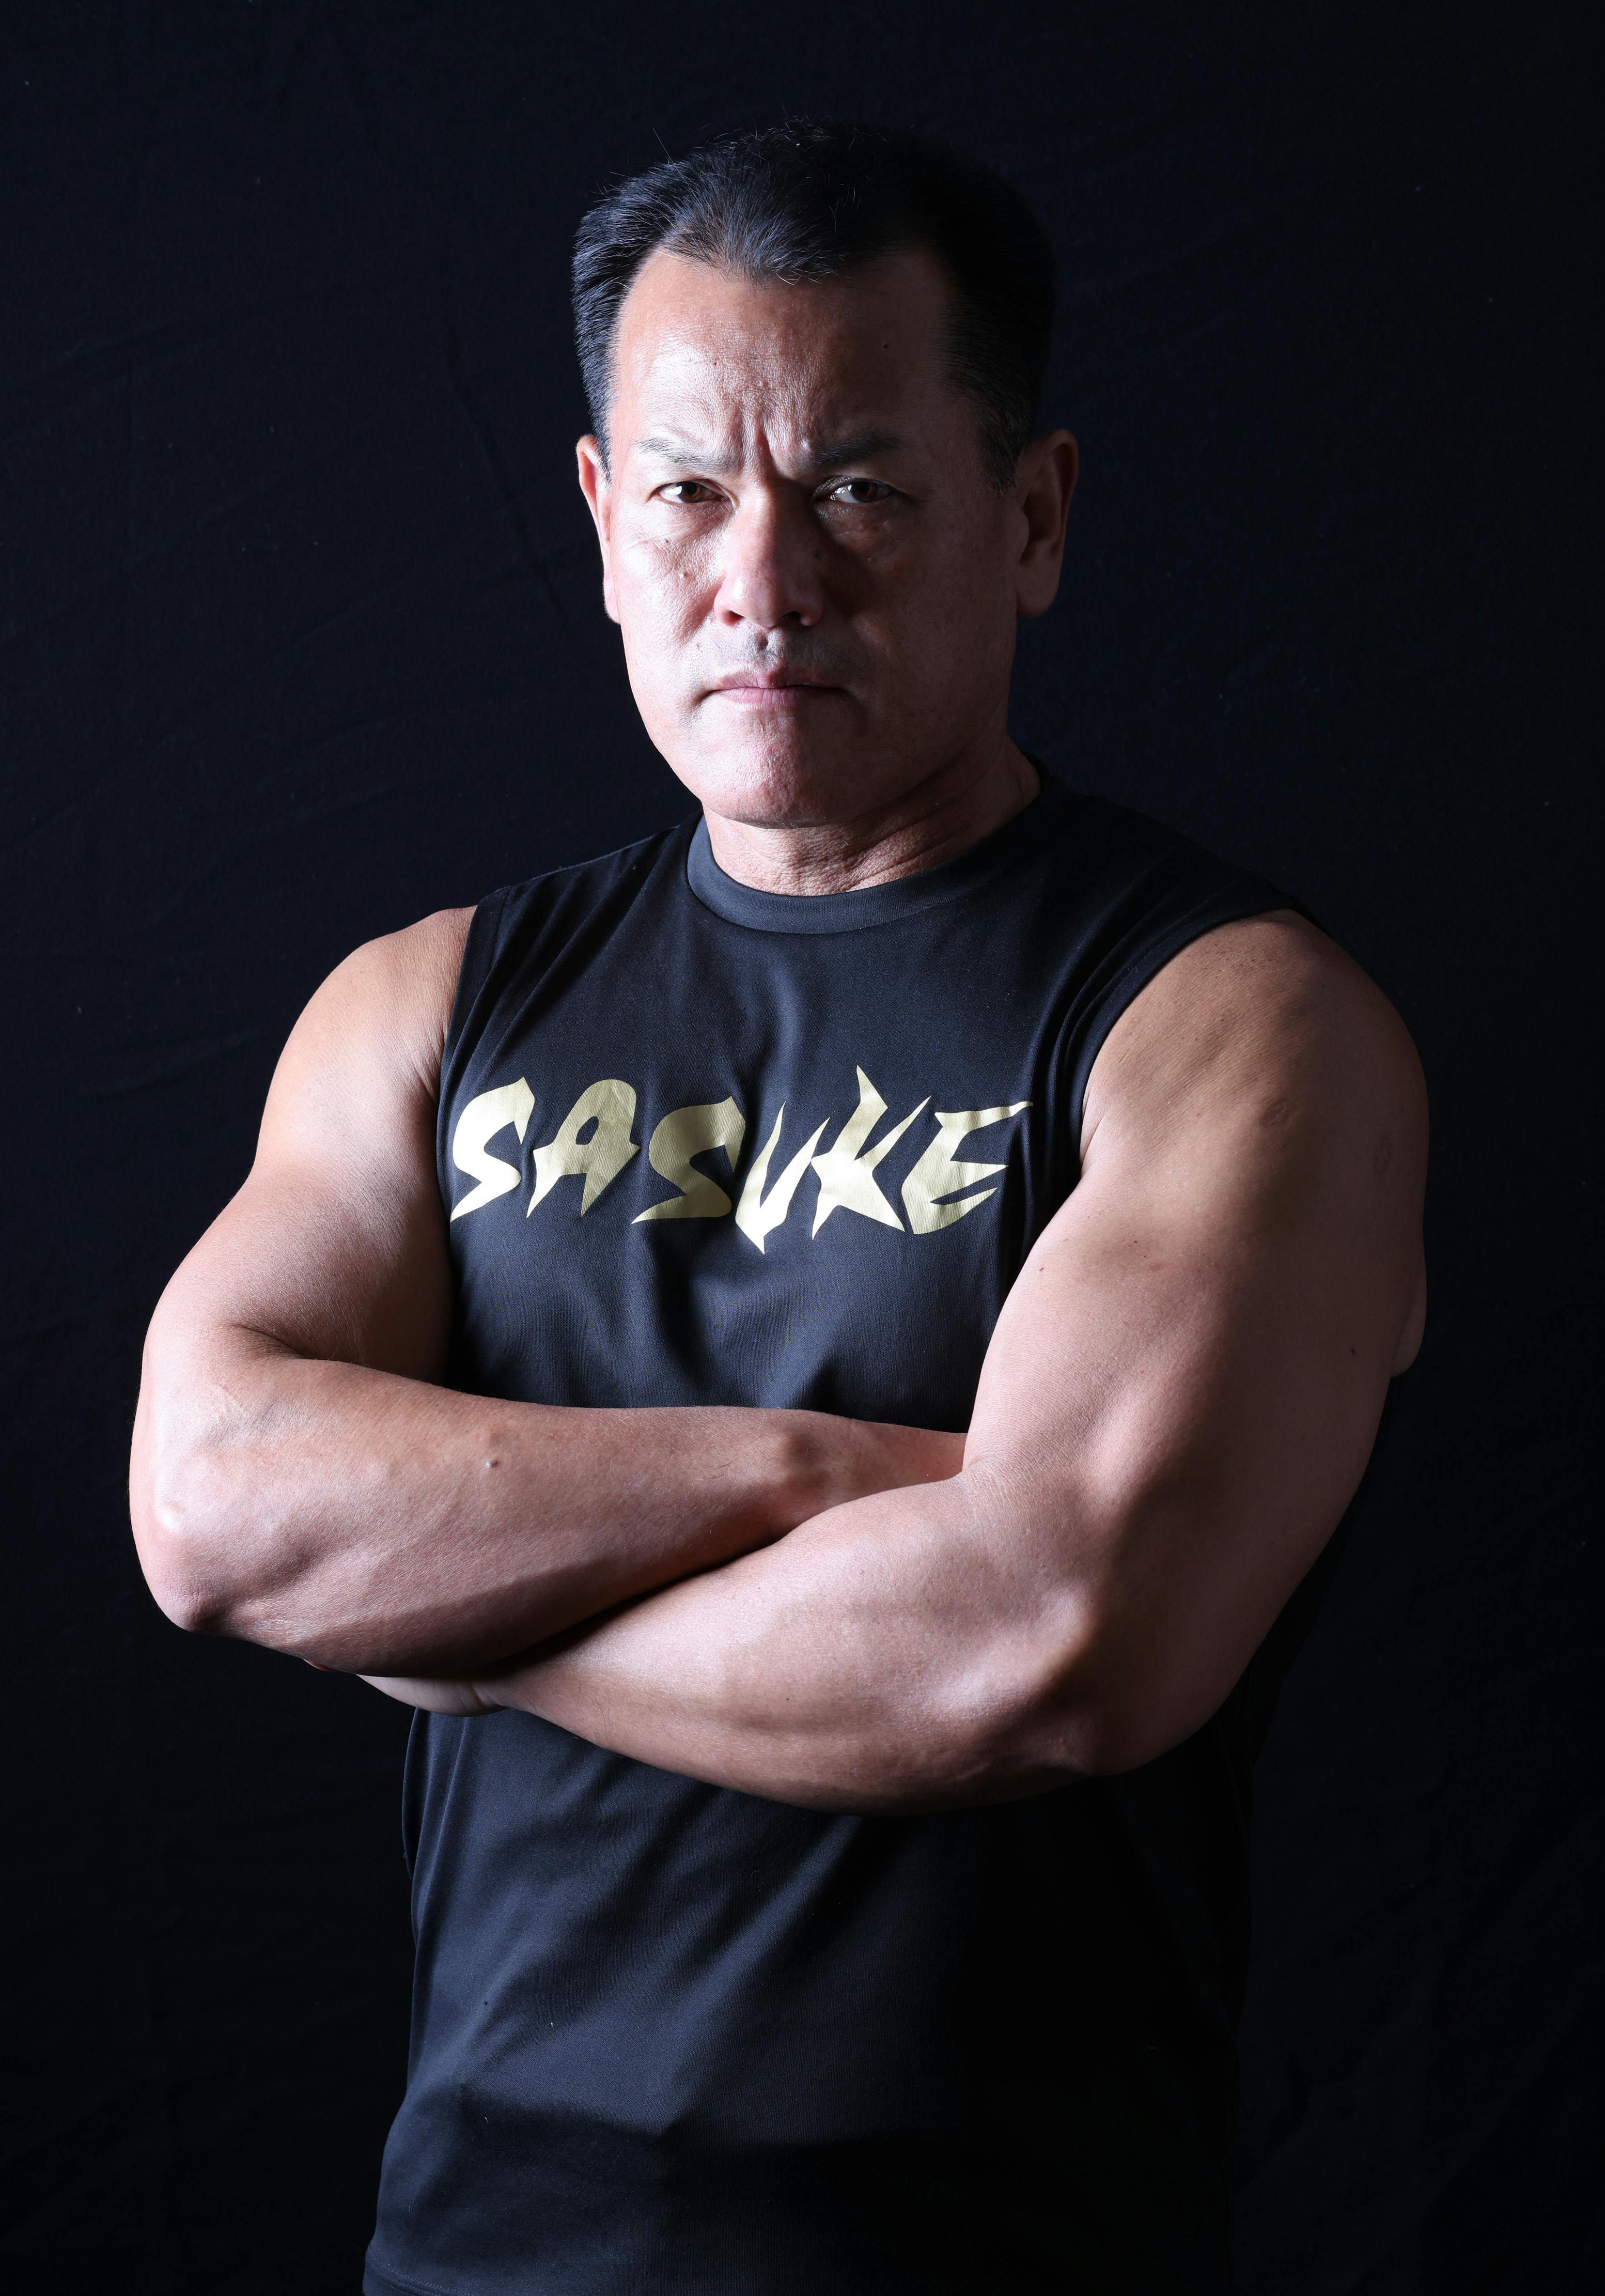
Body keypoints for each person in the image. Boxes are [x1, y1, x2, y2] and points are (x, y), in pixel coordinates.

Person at [130, 122, 1427, 2295]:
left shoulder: (1224, 1025)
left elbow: (1046, 1641)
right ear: (599, 521)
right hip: (465, 2250)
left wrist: (450, 1626)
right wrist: (819, 1477)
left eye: (856, 487)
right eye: (686, 491)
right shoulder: (428, 1007)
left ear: (1032, 518)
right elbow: (211, 1507)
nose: (764, 577)